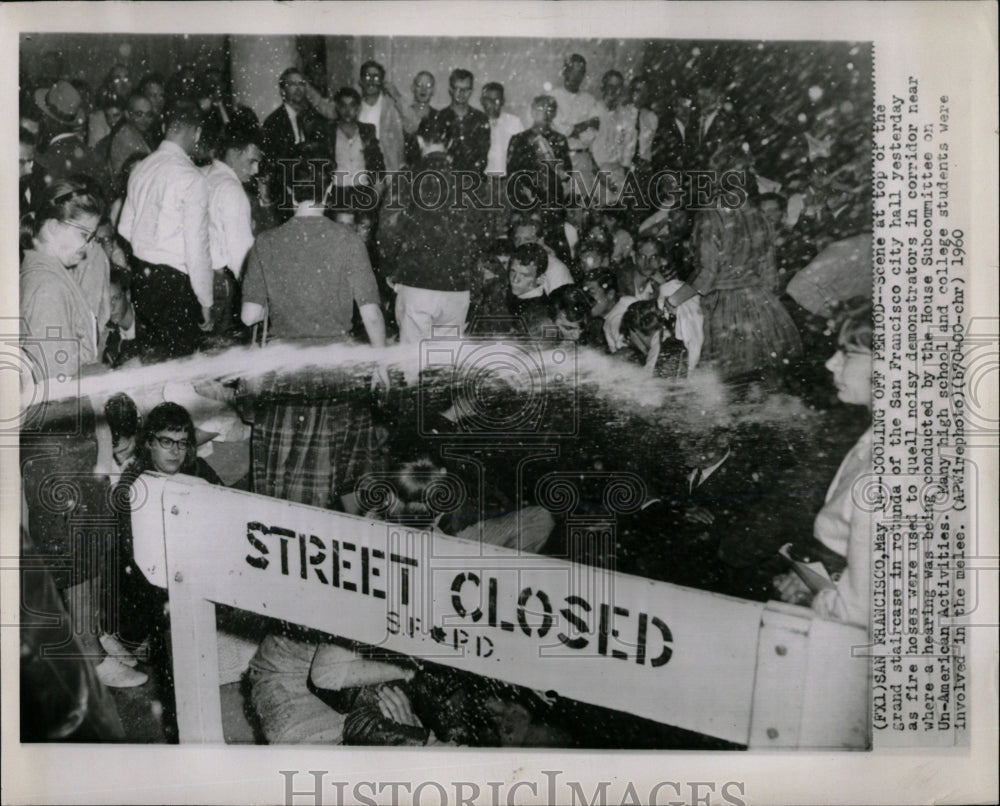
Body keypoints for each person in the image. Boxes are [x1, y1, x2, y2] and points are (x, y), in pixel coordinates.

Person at [240, 147, 389, 511]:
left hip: (285, 373)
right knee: (349, 470)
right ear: (327, 193)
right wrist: (382, 363)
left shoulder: (266, 243)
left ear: (289, 194)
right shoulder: (349, 241)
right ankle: (359, 539)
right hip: (337, 372)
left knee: (287, 476)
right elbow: (371, 313)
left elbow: (248, 316)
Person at [773, 300, 873, 627]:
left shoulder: (882, 474)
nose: (832, 364)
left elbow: (858, 613)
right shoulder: (870, 443)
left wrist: (814, 596)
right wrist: (815, 580)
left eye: (848, 353)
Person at [687, 146, 802, 379]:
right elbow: (770, 277)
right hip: (760, 305)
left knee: (725, 386)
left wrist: (673, 301)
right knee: (761, 386)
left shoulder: (711, 216)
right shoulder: (760, 216)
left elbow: (707, 277)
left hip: (722, 309)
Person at [379, 115, 489, 343]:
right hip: (457, 286)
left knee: (411, 366)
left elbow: (387, 231)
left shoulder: (406, 178)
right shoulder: (468, 181)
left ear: (419, 140)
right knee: (444, 368)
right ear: (449, 142)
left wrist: (392, 268)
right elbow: (483, 233)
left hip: (417, 283)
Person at [118, 101, 214, 358]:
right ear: (196, 134)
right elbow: (197, 249)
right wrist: (206, 299)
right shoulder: (192, 178)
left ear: (166, 128)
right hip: (175, 286)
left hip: (142, 278)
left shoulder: (141, 167)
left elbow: (125, 228)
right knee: (180, 368)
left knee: (153, 362)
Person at [20, 179, 105, 381]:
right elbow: (56, 382)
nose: (90, 246)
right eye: (85, 234)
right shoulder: (48, 289)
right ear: (53, 227)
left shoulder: (49, 273)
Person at [202, 130, 262, 336]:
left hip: (198, 279)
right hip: (219, 285)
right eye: (252, 160)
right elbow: (241, 257)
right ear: (235, 152)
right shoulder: (232, 189)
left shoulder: (204, 174)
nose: (255, 170)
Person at [261, 68, 326, 209]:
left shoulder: (315, 118)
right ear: (282, 91)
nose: (298, 88)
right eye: (292, 84)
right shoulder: (273, 122)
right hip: (285, 193)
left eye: (301, 84)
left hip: (314, 190)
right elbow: (272, 161)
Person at [506, 95, 573, 219]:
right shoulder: (518, 140)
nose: (546, 114)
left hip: (553, 200)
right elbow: (511, 173)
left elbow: (567, 173)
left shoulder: (559, 140)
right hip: (525, 200)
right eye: (541, 109)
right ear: (532, 112)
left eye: (550, 110)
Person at [549, 54, 601, 205]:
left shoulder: (589, 100)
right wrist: (584, 125)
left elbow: (590, 135)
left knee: (583, 204)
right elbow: (559, 131)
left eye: (581, 72)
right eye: (573, 70)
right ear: (565, 71)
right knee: (559, 202)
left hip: (582, 157)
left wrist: (571, 130)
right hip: (560, 158)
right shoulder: (554, 97)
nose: (577, 76)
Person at [325, 87, 386, 209]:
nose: (347, 110)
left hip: (363, 191)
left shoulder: (367, 131)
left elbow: (377, 161)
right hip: (337, 193)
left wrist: (378, 188)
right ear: (337, 107)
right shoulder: (328, 132)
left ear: (358, 108)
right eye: (343, 106)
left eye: (352, 106)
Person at [589, 70, 638, 205]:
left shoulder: (625, 115)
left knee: (616, 215)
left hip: (618, 173)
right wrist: (600, 175)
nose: (613, 91)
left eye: (617, 87)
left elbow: (629, 144)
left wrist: (624, 174)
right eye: (610, 86)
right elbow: (587, 146)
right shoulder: (595, 110)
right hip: (597, 173)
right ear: (603, 87)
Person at [431, 69, 490, 175]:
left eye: (466, 89)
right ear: (450, 90)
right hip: (446, 180)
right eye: (457, 88)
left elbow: (483, 156)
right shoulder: (439, 118)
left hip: (473, 181)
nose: (462, 93)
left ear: (471, 91)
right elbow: (435, 155)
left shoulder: (480, 119)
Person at [107, 92, 156, 177]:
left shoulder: (139, 133)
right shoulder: (126, 135)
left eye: (149, 115)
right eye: (139, 114)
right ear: (127, 114)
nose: (145, 119)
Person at [402, 70, 437, 166]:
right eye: (419, 85)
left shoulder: (439, 117)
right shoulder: (402, 115)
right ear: (413, 88)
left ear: (433, 91)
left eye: (428, 86)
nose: (423, 90)